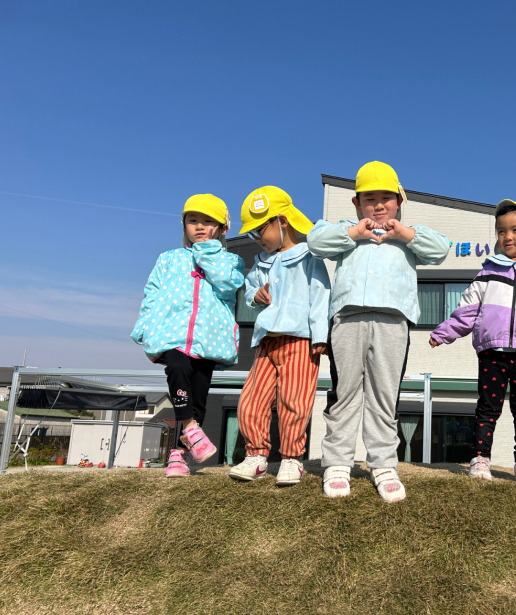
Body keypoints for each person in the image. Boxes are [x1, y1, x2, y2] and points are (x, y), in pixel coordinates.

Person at [307, 161, 449, 502]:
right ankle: (337, 462)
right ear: (356, 204)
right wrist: (353, 234)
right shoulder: (346, 230)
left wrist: (406, 234)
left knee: (385, 394)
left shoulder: (409, 235)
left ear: (399, 202)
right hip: (348, 319)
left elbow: (441, 249)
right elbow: (315, 241)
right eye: (369, 199)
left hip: (393, 322)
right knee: (344, 392)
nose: (378, 205)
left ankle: (383, 464)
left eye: (386, 198)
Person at [429, 200, 516, 483]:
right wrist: (444, 333)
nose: (507, 236)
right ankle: (480, 458)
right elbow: (467, 310)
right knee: (487, 408)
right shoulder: (488, 273)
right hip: (492, 352)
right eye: (501, 231)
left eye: (515, 230)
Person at [131, 194, 245, 478]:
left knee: (199, 396)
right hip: (172, 333)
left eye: (208, 221)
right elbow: (152, 292)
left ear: (223, 228)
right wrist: (143, 325)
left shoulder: (230, 260)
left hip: (209, 337)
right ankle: (191, 429)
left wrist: (207, 253)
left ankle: (179, 456)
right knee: (177, 368)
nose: (200, 226)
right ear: (184, 224)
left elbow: (228, 285)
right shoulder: (168, 258)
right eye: (193, 220)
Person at [229, 186, 330, 486]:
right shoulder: (262, 260)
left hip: (300, 341)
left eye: (260, 229)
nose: (257, 238)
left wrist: (320, 335)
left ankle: (291, 459)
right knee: (250, 400)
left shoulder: (309, 256)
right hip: (267, 341)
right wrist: (255, 294)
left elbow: (321, 296)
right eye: (252, 233)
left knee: (294, 401)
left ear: (282, 221)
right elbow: (249, 288)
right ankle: (256, 456)